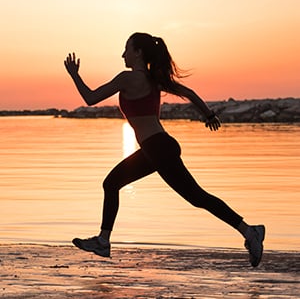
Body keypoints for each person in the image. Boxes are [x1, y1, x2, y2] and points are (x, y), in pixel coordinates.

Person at [64, 32, 265, 267]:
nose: (122, 55)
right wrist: (208, 114)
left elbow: (90, 98)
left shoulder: (127, 78)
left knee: (197, 197)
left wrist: (75, 75)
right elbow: (189, 93)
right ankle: (103, 240)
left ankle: (250, 231)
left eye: (126, 49)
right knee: (112, 183)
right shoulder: (154, 79)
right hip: (155, 148)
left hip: (158, 148)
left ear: (138, 52)